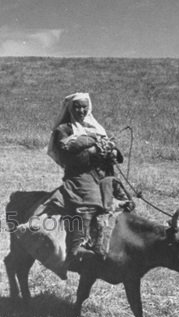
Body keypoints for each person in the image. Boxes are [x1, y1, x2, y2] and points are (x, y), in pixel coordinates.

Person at [43, 92, 131, 275]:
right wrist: (93, 146)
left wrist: (112, 152)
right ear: (70, 109)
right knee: (91, 203)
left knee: (127, 202)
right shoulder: (64, 129)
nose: (80, 110)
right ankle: (77, 248)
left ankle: (120, 244)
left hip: (102, 173)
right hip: (79, 176)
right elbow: (68, 152)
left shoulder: (96, 127)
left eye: (84, 107)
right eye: (76, 107)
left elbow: (112, 150)